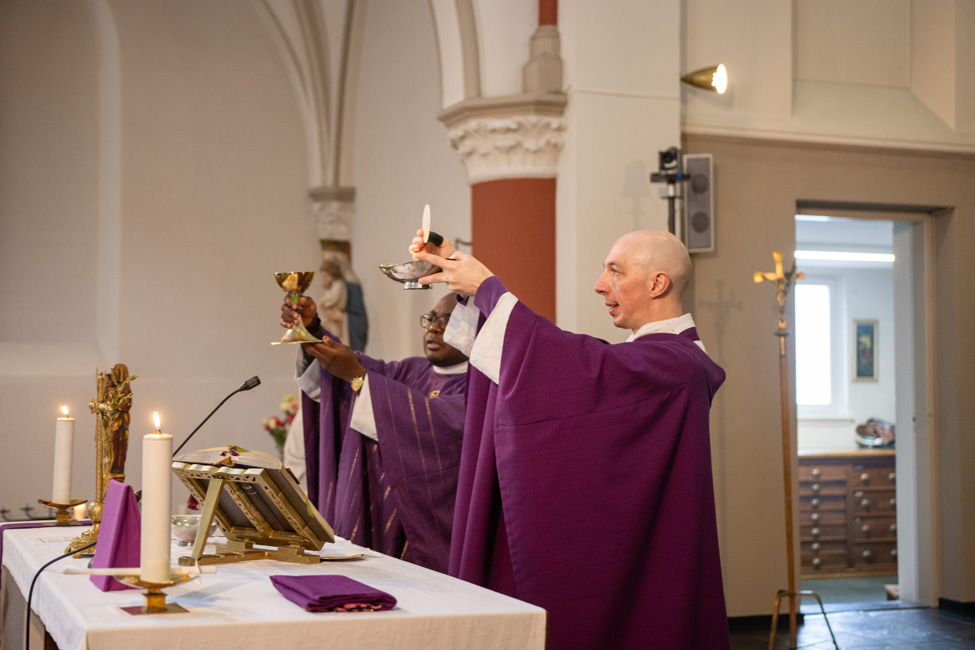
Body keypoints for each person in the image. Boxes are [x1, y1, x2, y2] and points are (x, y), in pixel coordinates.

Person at [410, 230, 730, 650]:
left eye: (615, 271)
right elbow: (576, 364)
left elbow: (578, 367)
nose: (600, 284)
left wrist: (488, 288)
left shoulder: (678, 364)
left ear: (658, 283)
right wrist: (465, 281)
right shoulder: (653, 359)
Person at [281, 292, 468, 573]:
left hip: (422, 532)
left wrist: (359, 378)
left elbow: (440, 425)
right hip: (373, 509)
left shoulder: (481, 386)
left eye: (447, 320)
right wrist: (313, 330)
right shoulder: (411, 369)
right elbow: (361, 373)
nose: (433, 327)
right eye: (431, 318)